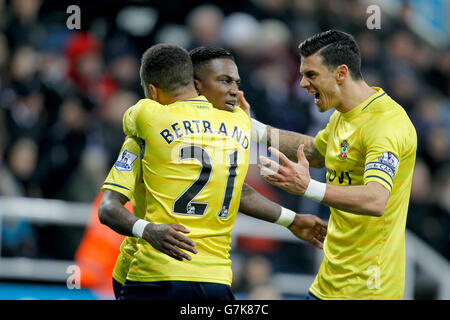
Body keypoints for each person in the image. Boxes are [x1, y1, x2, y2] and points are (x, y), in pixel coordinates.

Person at [98, 44, 327, 300]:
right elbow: (310, 156)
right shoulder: (239, 124)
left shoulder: (146, 120)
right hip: (209, 282)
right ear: (196, 86)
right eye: (225, 81)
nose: (235, 91)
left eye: (237, 82)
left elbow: (237, 189)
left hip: (156, 277)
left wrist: (292, 219)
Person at [252, 30, 417, 300]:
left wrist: (308, 187)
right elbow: (317, 152)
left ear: (341, 73)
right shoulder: (344, 114)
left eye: (312, 75)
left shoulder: (385, 125)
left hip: (368, 292)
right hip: (328, 284)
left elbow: (376, 199)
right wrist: (254, 129)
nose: (303, 83)